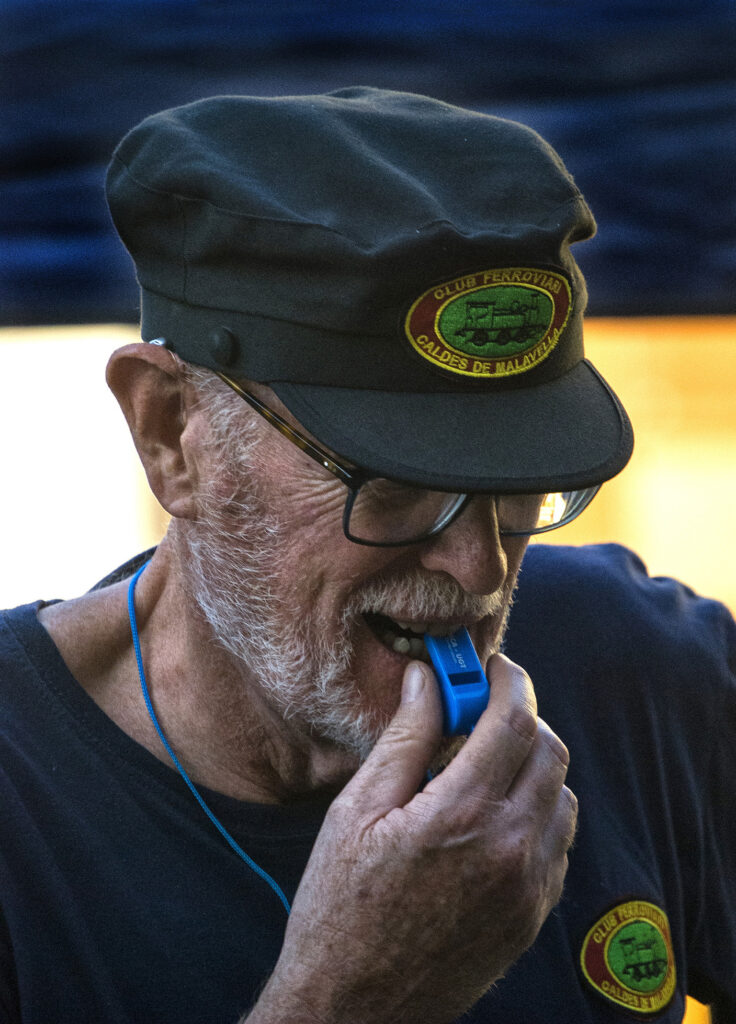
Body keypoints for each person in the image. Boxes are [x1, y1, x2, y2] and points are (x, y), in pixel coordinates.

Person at [0, 88, 733, 1022]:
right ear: (171, 432)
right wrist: (354, 999)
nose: (480, 570)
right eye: (391, 483)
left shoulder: (640, 666)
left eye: (521, 485)